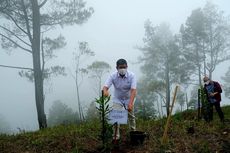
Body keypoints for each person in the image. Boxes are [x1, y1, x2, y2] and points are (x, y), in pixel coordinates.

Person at [103, 58, 137, 142]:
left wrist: (130, 103)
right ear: (117, 68)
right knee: (116, 117)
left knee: (131, 116)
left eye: (124, 67)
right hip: (117, 99)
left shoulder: (132, 75)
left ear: (127, 67)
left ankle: (133, 134)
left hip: (129, 98)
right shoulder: (113, 76)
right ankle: (116, 137)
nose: (122, 69)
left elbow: (133, 90)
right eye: (120, 67)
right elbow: (105, 87)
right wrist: (105, 92)